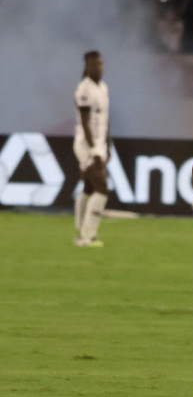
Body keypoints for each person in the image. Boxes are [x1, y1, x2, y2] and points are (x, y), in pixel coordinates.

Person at [73, 50, 110, 248]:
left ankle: (80, 233)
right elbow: (85, 123)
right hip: (86, 145)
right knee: (102, 189)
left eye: (101, 64)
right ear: (87, 66)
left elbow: (104, 120)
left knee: (88, 189)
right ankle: (89, 236)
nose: (99, 68)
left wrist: (107, 145)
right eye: (96, 64)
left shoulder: (102, 87)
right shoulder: (84, 89)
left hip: (99, 144)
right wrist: (95, 150)